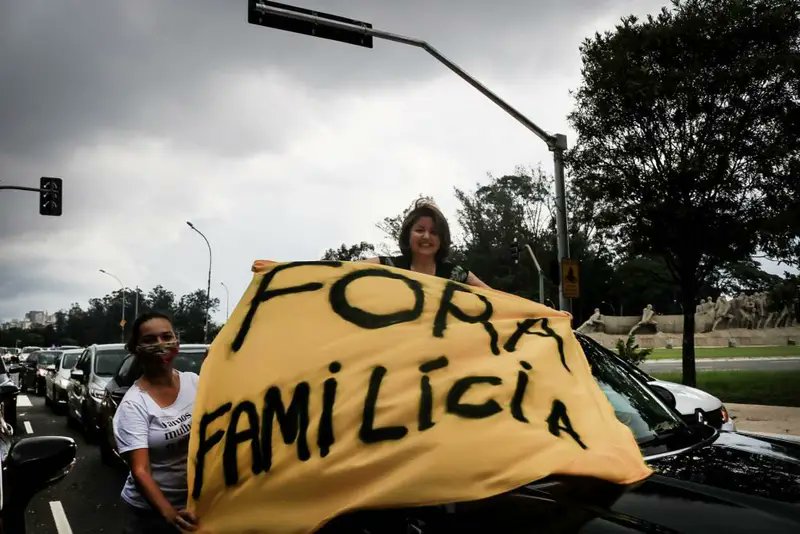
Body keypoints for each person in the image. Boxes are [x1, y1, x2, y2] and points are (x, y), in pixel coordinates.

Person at [114, 312, 199, 533]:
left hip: (195, 503)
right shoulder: (133, 405)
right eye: (150, 340)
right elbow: (140, 470)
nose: (161, 345)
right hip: (151, 514)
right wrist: (169, 514)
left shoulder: (194, 382)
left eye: (166, 337)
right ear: (136, 349)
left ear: (177, 342)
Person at [361, 197, 490, 288]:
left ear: (442, 239)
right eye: (420, 230)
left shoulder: (456, 273)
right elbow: (349, 269)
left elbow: (495, 297)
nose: (426, 236)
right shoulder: (389, 265)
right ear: (408, 235)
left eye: (434, 232)